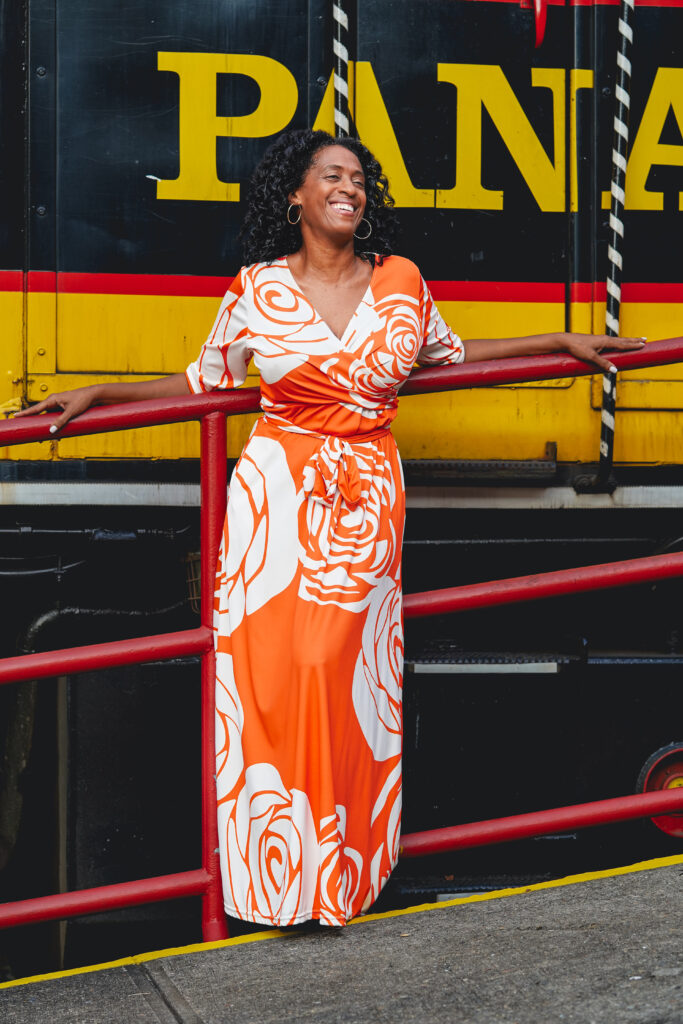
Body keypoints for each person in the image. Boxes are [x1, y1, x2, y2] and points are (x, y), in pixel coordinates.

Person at [15, 128, 645, 928]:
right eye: (332, 176)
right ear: (297, 197)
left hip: (365, 495)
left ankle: (340, 877)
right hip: (273, 500)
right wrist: (96, 394)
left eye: (358, 178)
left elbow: (449, 355)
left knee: (342, 679)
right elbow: (197, 380)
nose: (349, 187)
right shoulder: (254, 290)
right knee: (270, 680)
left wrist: (558, 339)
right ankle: (274, 887)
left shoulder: (401, 282)